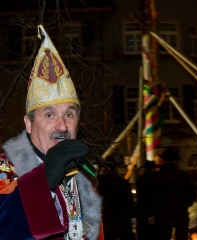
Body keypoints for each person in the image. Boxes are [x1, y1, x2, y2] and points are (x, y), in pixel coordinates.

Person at [0, 25, 102, 240]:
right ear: (28, 124)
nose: (62, 126)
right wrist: (43, 182)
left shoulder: (83, 177)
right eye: (49, 115)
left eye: (69, 114)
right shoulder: (5, 171)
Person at [147, 147, 197, 240]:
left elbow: (152, 197)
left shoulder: (156, 177)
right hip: (181, 214)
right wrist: (185, 204)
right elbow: (193, 193)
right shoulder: (184, 175)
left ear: (163, 160)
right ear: (175, 161)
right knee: (181, 237)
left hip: (163, 215)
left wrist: (151, 213)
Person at [97, 156, 136, 240]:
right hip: (122, 220)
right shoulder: (122, 182)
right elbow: (129, 201)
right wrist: (132, 216)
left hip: (107, 221)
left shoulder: (100, 183)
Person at [136, 160, 159, 240]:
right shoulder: (156, 179)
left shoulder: (140, 180)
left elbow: (142, 197)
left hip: (142, 214)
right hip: (155, 212)